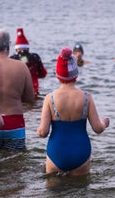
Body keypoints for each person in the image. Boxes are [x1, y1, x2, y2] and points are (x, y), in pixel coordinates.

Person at [37, 47, 109, 175]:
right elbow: (98, 129)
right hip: (81, 152)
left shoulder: (50, 98)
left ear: (57, 75)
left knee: (53, 193)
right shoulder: (87, 97)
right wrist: (104, 122)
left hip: (56, 152)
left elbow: (43, 133)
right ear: (76, 74)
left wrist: (37, 128)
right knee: (80, 191)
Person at [0, 29, 36, 150]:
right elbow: (30, 98)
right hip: (15, 123)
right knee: (16, 162)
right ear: (8, 46)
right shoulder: (21, 66)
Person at [12, 28, 47, 98]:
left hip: (17, 93)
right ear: (28, 48)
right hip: (33, 91)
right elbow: (43, 74)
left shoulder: (12, 59)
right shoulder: (35, 57)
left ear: (16, 49)